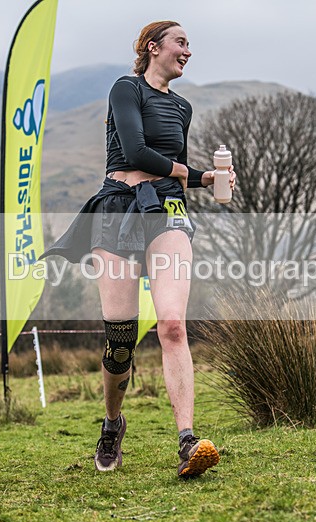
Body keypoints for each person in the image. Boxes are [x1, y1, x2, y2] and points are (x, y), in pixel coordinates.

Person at [42, 21, 235, 478]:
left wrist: (203, 179)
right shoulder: (126, 89)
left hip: (166, 209)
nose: (188, 51)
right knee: (121, 340)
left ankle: (187, 441)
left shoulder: (182, 107)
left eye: (189, 44)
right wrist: (193, 173)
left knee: (173, 325)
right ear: (153, 47)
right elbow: (134, 151)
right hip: (116, 208)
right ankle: (112, 424)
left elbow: (170, 169)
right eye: (181, 42)